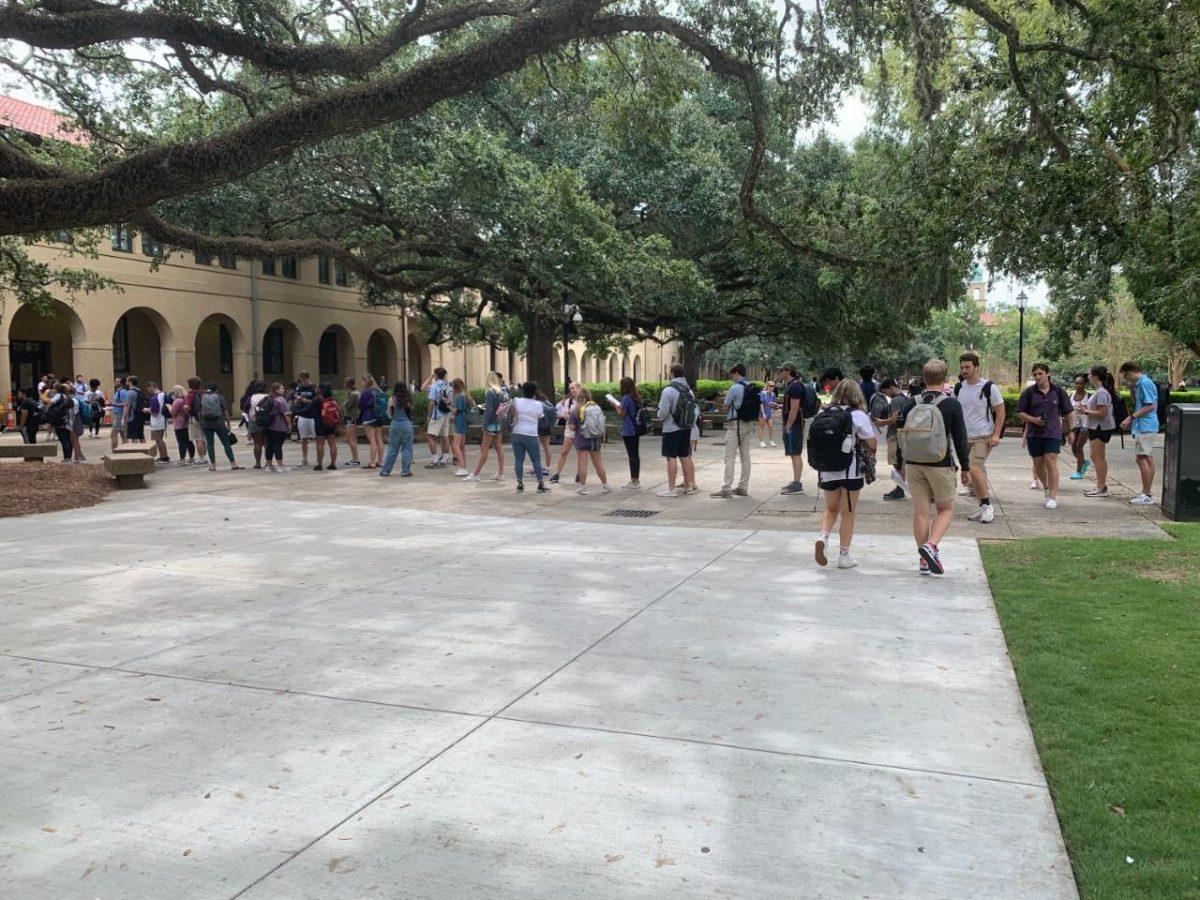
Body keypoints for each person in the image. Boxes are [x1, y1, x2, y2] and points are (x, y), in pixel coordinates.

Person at [895, 359, 971, 575]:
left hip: (914, 463)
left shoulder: (911, 403)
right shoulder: (950, 404)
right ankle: (931, 545)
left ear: (924, 378)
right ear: (945, 379)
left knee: (921, 512)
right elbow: (960, 438)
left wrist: (900, 463)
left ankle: (923, 560)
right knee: (946, 509)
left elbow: (901, 435)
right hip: (940, 463)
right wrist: (965, 467)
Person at [813, 380, 877, 569]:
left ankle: (823, 537)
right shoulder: (858, 415)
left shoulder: (825, 412)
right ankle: (844, 556)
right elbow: (872, 443)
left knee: (831, 509)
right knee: (848, 513)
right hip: (851, 470)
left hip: (827, 470)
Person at [954, 352, 1006, 523]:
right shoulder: (959, 388)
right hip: (963, 438)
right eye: (962, 367)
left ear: (976, 367)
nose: (964, 370)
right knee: (974, 474)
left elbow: (1000, 412)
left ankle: (987, 506)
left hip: (983, 436)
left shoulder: (989, 387)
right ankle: (981, 507)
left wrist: (997, 434)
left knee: (974, 468)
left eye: (967, 367)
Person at [1017, 363, 1073, 510]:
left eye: (1040, 373)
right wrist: (1033, 419)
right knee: (1038, 464)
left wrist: (1071, 431)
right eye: (1035, 374)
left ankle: (1053, 496)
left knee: (1051, 460)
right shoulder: (1029, 393)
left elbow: (1068, 412)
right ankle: (1047, 488)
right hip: (1034, 433)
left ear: (1047, 374)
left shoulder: (1059, 392)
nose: (1037, 377)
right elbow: (1021, 412)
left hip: (1053, 432)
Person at [1118, 361, 1160, 506]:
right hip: (1145, 425)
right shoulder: (1140, 384)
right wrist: (1131, 389)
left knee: (1142, 458)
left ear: (1129, 372)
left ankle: (1146, 494)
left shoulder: (1144, 383)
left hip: (1145, 425)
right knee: (1146, 458)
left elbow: (1150, 405)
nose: (1125, 379)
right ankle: (1146, 492)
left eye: (1125, 375)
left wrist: (1131, 417)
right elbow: (1141, 403)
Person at [712, 363, 755, 499]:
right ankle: (743, 487)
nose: (731, 377)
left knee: (729, 457)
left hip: (735, 425)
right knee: (745, 457)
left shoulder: (735, 388)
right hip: (748, 424)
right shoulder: (750, 386)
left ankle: (726, 488)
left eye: (732, 374)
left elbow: (725, 408)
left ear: (736, 373)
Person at [656, 365, 697, 497]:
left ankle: (671, 489)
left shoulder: (668, 390)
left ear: (672, 373)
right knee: (685, 456)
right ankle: (689, 485)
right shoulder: (688, 390)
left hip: (671, 428)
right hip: (686, 427)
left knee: (671, 457)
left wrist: (659, 415)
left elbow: (663, 411)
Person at [1080, 365, 1116, 498]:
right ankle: (1100, 485)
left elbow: (1102, 413)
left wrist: (1086, 411)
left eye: (1089, 374)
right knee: (1097, 456)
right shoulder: (1100, 391)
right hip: (1097, 427)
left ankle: (1101, 487)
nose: (1088, 376)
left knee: (1097, 456)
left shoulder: (1101, 392)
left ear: (1095, 376)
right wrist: (1087, 409)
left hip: (1100, 427)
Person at [509, 381, 551, 493]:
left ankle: (519, 483)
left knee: (518, 459)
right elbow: (540, 416)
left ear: (523, 390)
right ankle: (540, 483)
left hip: (517, 432)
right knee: (536, 460)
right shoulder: (538, 404)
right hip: (531, 434)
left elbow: (511, 413)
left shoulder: (516, 401)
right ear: (534, 392)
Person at [465, 372, 506, 482]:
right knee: (499, 448)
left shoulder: (490, 392)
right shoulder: (501, 392)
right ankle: (501, 473)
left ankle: (475, 473)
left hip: (490, 425)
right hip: (498, 424)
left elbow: (489, 411)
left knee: (484, 449)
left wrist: (485, 425)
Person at [572, 386, 611, 495]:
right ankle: (605, 485)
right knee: (598, 463)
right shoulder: (595, 407)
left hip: (581, 439)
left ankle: (583, 487)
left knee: (583, 464)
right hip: (595, 439)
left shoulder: (576, 409)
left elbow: (571, 427)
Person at [778, 364, 810, 495]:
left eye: (781, 370)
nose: (779, 372)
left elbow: (794, 408)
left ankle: (797, 484)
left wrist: (788, 426)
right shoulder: (793, 385)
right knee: (793, 453)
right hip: (794, 424)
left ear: (788, 371)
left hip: (794, 425)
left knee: (795, 453)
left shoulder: (795, 386)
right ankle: (796, 481)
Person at [874, 379, 908, 500]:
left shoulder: (896, 400)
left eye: (886, 392)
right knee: (899, 463)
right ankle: (901, 488)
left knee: (896, 463)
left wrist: (882, 422)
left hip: (895, 435)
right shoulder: (904, 397)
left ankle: (900, 490)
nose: (886, 395)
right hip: (901, 434)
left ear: (891, 388)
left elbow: (894, 419)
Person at [198, 382, 243, 472]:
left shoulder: (202, 398)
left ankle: (213, 465)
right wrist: (228, 423)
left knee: (210, 444)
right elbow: (225, 411)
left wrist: (201, 423)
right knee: (226, 443)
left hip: (206, 423)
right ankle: (233, 463)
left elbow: (199, 411)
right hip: (219, 423)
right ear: (216, 389)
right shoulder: (220, 398)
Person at [608, 376, 642, 489]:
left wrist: (614, 405)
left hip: (628, 430)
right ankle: (636, 479)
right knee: (635, 454)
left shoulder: (626, 398)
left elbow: (622, 414)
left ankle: (634, 481)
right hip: (636, 429)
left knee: (632, 455)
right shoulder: (636, 397)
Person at [380, 382, 415, 477]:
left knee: (392, 449)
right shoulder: (408, 399)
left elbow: (389, 414)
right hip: (406, 425)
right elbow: (411, 410)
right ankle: (405, 471)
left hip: (395, 424)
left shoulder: (392, 399)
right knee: (407, 448)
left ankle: (386, 471)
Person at [421, 368, 452, 468]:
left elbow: (431, 401)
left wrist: (429, 415)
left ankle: (434, 460)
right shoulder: (447, 385)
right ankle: (445, 459)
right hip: (446, 414)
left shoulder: (435, 386)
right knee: (444, 436)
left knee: (430, 436)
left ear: (436, 375)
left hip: (437, 414)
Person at [550, 381, 580, 484]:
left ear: (579, 389)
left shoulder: (584, 400)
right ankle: (557, 473)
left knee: (580, 454)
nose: (572, 390)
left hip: (581, 430)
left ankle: (579, 473)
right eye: (570, 388)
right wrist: (574, 417)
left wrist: (572, 417)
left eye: (574, 388)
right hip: (570, 429)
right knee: (564, 452)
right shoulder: (569, 401)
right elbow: (565, 415)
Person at [1067, 373, 1091, 481]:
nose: (1078, 386)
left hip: (1086, 424)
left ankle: (1078, 472)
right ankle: (1083, 462)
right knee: (1073, 446)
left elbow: (1094, 410)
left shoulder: (1089, 396)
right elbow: (1066, 410)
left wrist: (1086, 411)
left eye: (1081, 383)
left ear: (1085, 384)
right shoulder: (1071, 395)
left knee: (1079, 446)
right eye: (1076, 383)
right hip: (1074, 424)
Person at [358, 374, 385, 468]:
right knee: (379, 439)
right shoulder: (379, 391)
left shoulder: (367, 392)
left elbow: (360, 404)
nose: (361, 382)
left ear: (367, 382)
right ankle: (381, 461)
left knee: (372, 440)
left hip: (369, 417)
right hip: (380, 417)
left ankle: (372, 462)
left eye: (363, 380)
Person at [310, 383, 339, 471]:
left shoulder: (318, 399)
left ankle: (319, 464)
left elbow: (309, 410)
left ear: (320, 389)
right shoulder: (331, 400)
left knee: (320, 444)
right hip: (331, 423)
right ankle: (333, 464)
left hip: (320, 422)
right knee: (332, 443)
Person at [264, 382, 291, 472]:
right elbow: (286, 414)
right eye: (281, 388)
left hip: (268, 426)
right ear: (276, 390)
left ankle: (269, 465)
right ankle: (280, 465)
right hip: (279, 426)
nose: (283, 390)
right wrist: (289, 425)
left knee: (269, 446)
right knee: (278, 445)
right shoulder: (281, 400)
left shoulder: (268, 398)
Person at [292, 371, 316, 467]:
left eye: (304, 380)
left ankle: (319, 458)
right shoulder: (299, 388)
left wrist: (308, 401)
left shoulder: (313, 387)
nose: (303, 382)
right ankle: (304, 459)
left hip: (312, 416)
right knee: (304, 439)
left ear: (307, 378)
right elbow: (295, 401)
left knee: (317, 437)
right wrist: (297, 400)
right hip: (302, 415)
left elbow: (317, 400)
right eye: (301, 380)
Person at [183, 377, 210, 466]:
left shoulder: (190, 395)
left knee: (198, 439)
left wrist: (186, 412)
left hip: (194, 418)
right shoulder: (204, 393)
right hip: (205, 418)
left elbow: (186, 407)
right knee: (203, 438)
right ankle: (205, 457)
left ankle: (202, 458)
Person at [242, 380, 268, 469]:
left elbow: (245, 409)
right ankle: (268, 462)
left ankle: (257, 463)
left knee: (257, 443)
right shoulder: (268, 397)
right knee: (267, 442)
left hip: (254, 421)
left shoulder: (251, 398)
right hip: (267, 422)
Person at [169, 383, 195, 465]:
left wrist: (169, 407)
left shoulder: (177, 401)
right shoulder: (186, 400)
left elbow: (173, 412)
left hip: (179, 423)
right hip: (187, 422)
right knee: (189, 441)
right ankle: (191, 458)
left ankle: (182, 459)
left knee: (181, 442)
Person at [450, 377, 470, 476]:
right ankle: (463, 467)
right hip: (464, 422)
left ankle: (462, 467)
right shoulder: (465, 395)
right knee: (462, 446)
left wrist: (450, 407)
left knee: (455, 445)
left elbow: (456, 410)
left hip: (459, 422)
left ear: (455, 387)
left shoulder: (458, 397)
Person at [147, 381, 170, 463]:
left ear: (151, 387)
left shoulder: (154, 398)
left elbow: (155, 412)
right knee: (160, 439)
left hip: (156, 421)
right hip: (163, 419)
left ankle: (164, 457)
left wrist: (147, 410)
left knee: (159, 440)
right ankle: (163, 456)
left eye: (148, 389)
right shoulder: (163, 395)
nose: (148, 391)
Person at [341, 376, 362, 467]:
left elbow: (347, 406)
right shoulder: (352, 393)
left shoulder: (354, 394)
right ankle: (354, 458)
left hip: (351, 417)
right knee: (351, 439)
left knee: (350, 438)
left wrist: (345, 403)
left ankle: (355, 459)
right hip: (350, 417)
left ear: (347, 384)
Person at [535, 387, 554, 478]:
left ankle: (538, 467)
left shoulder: (537, 402)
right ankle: (547, 467)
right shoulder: (545, 400)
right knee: (546, 447)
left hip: (539, 426)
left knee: (537, 447)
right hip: (546, 426)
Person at [123, 375, 147, 444]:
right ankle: (145, 452)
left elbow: (127, 406)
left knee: (134, 437)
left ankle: (136, 453)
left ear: (130, 382)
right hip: (141, 416)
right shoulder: (139, 391)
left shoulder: (130, 392)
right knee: (141, 436)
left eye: (127, 381)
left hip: (133, 417)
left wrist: (124, 418)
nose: (126, 382)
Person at [757, 380, 777, 448]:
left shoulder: (773, 394)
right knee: (761, 427)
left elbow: (774, 404)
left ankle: (771, 440)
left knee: (771, 427)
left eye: (773, 386)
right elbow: (761, 404)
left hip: (769, 413)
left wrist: (774, 411)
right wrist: (763, 414)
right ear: (767, 386)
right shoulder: (763, 393)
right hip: (763, 413)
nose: (772, 387)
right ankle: (761, 441)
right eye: (771, 386)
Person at [109, 376, 126, 450]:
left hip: (120, 415)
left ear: (121, 383)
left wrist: (112, 404)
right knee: (123, 434)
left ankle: (114, 451)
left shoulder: (122, 392)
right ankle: (125, 450)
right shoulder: (118, 391)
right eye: (115, 381)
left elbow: (125, 404)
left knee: (113, 434)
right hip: (118, 414)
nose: (115, 383)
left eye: (117, 381)